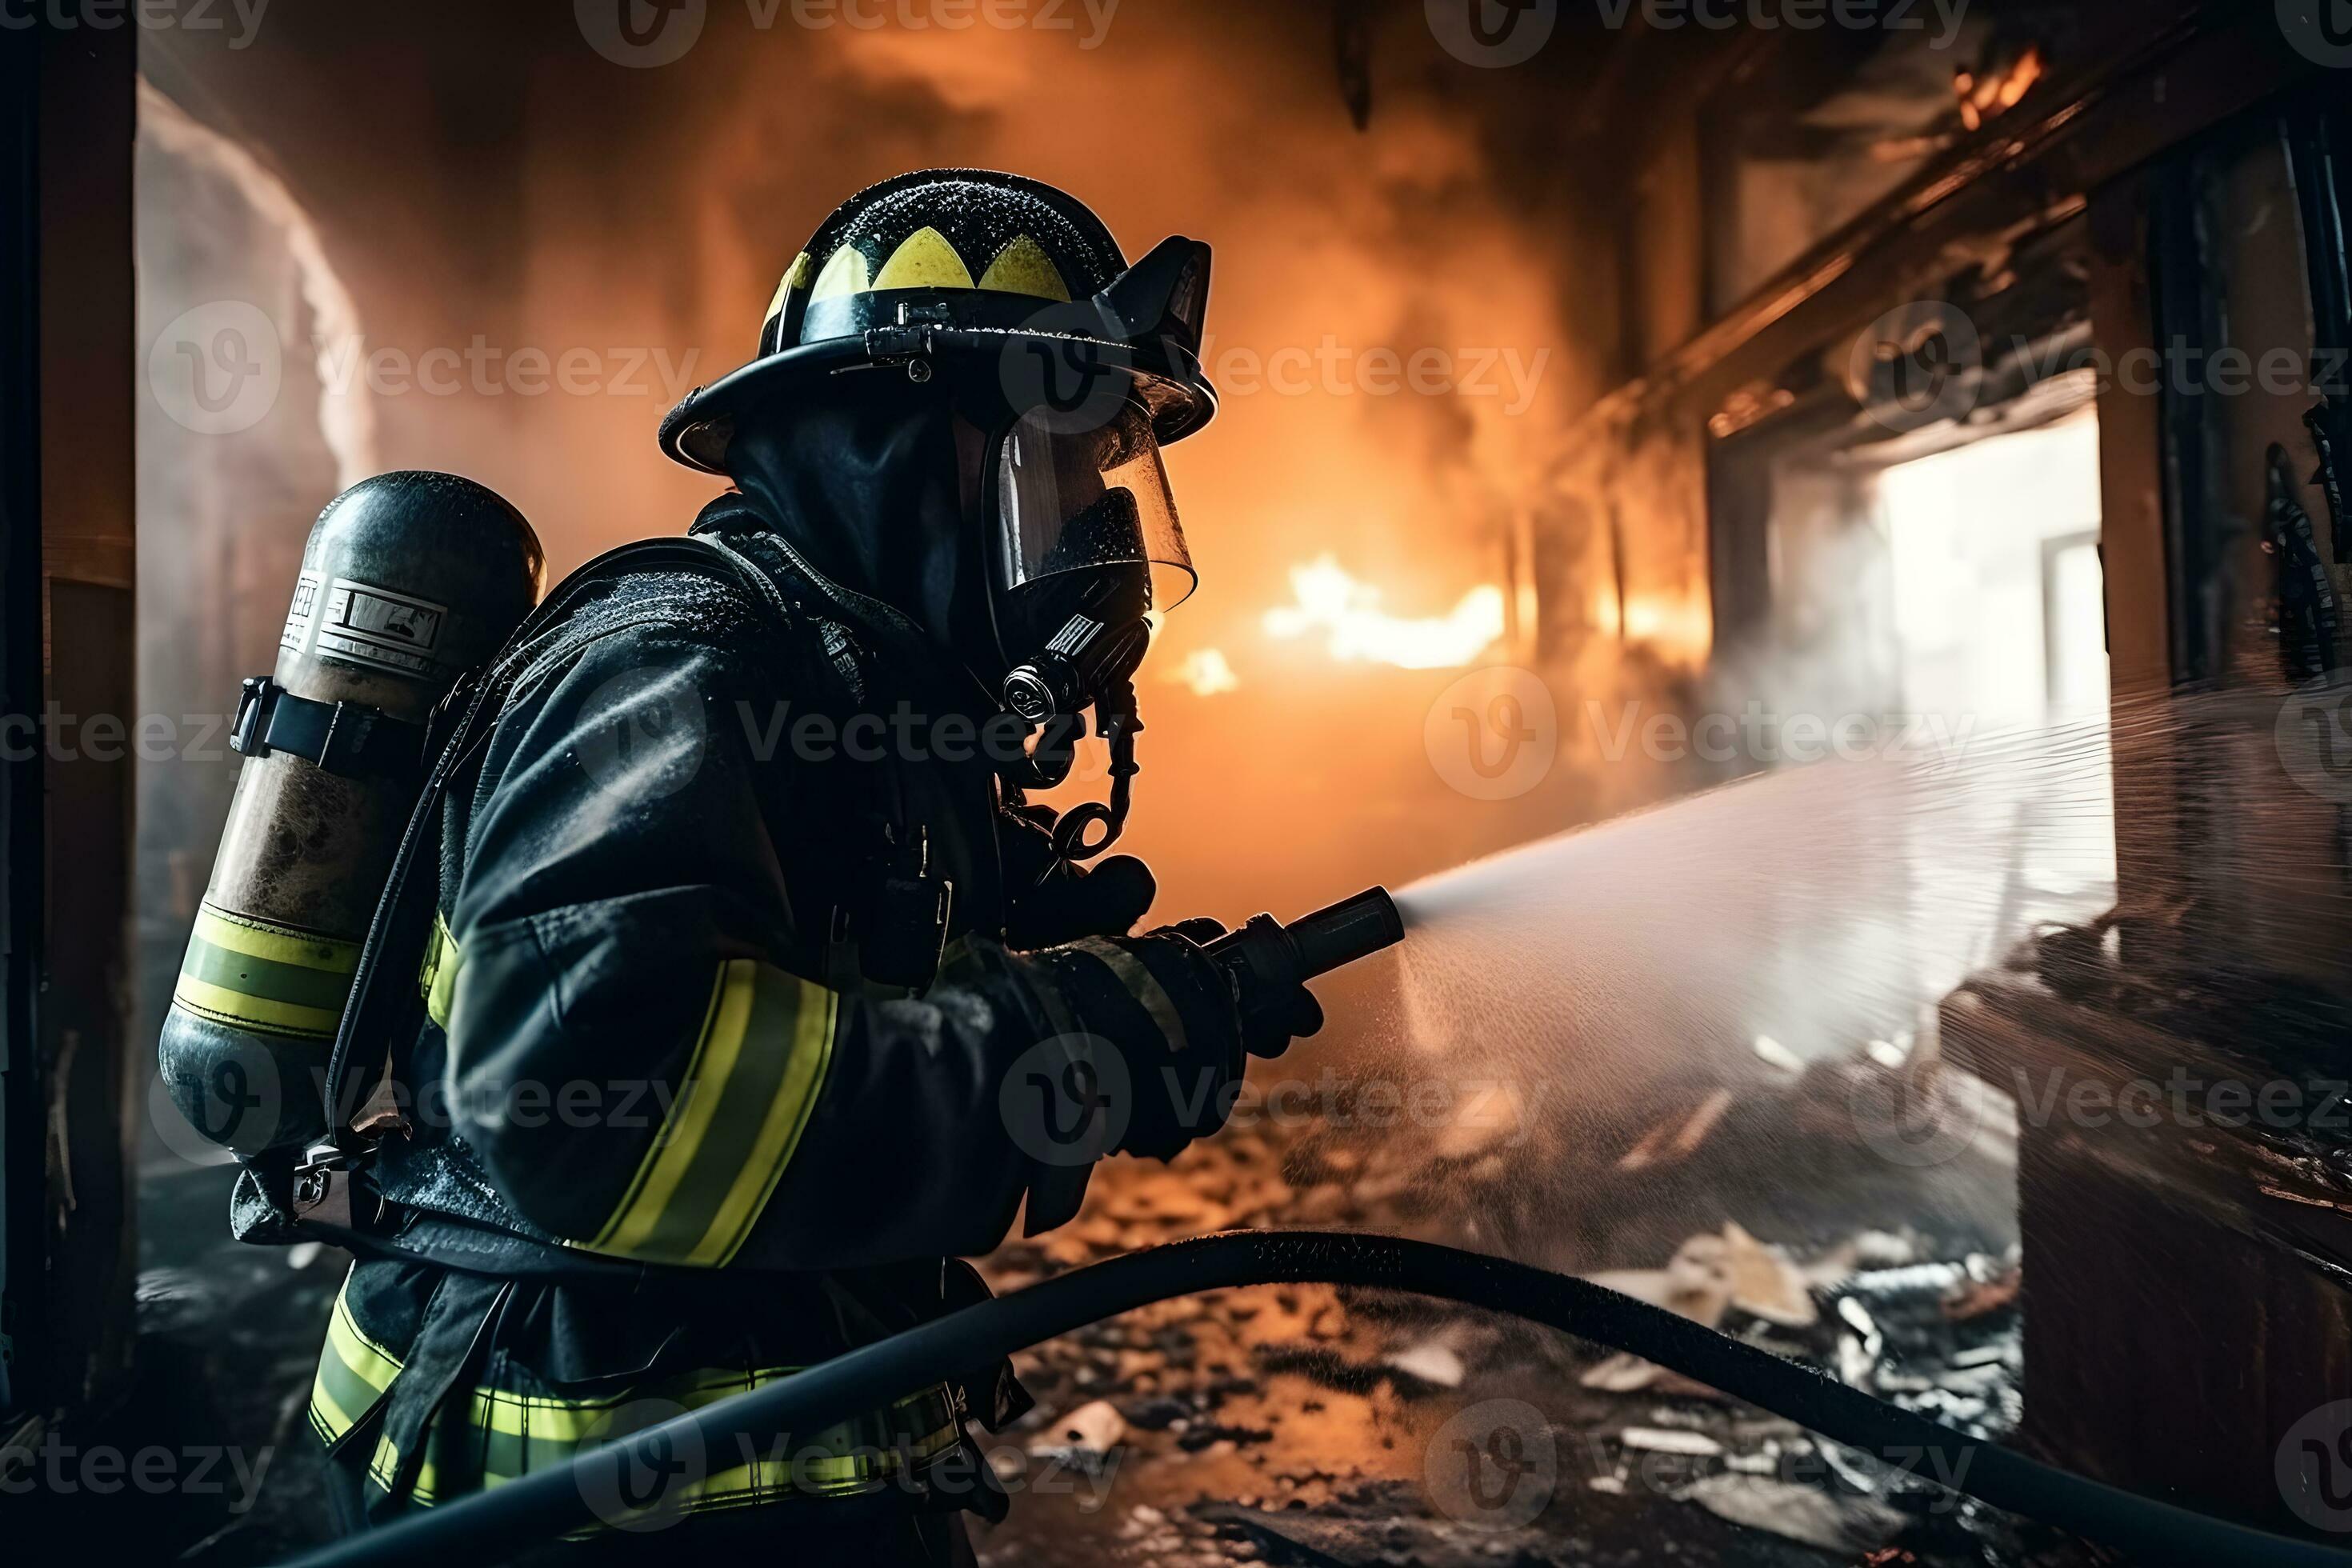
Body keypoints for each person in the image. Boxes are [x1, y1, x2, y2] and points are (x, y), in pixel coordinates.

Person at [304, 169, 1322, 1560]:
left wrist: (989, 954)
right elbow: (597, 1095)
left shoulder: (846, 684)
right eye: (1072, 457)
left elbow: (785, 998)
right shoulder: (680, 672)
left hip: (760, 1463)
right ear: (907, 441)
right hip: (577, 1481)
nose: (1102, 519)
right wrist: (1057, 1045)